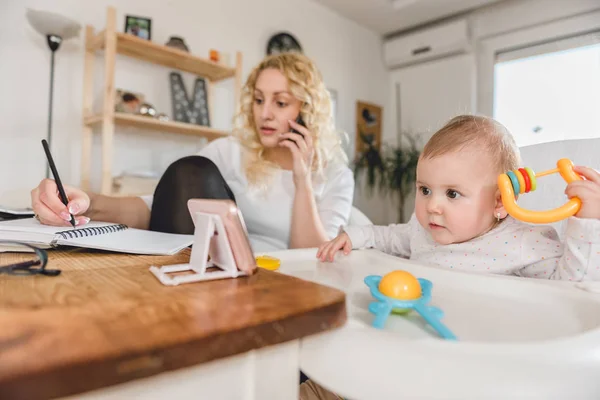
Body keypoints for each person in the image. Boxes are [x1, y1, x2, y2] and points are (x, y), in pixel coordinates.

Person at [30, 52, 354, 252]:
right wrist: (87, 202)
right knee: (191, 170)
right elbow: (163, 207)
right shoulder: (229, 152)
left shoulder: (336, 176)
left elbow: (310, 255)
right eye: (258, 99)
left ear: (307, 110)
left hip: (281, 283)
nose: (264, 113)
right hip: (212, 271)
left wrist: (302, 179)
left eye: (280, 102)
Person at [317, 114, 600, 282]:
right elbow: (390, 238)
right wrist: (354, 236)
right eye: (424, 189)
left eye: (452, 193)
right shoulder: (423, 229)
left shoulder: (524, 244)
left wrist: (586, 224)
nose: (432, 206)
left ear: (500, 202)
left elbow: (570, 287)